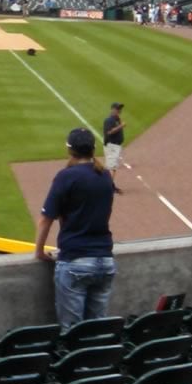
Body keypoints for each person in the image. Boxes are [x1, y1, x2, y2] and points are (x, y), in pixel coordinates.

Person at [35, 128, 117, 327]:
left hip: (75, 260)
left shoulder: (66, 176)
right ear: (93, 149)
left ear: (69, 150)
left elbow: (46, 219)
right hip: (105, 261)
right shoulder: (105, 175)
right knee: (98, 332)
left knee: (72, 332)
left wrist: (39, 251)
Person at [103, 103, 126, 194]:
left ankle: (110, 186)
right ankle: (109, 187)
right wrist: (121, 126)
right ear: (112, 109)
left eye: (120, 109)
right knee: (112, 168)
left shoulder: (117, 119)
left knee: (112, 167)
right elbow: (109, 132)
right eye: (117, 109)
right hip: (111, 146)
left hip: (115, 146)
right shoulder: (109, 120)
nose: (119, 110)